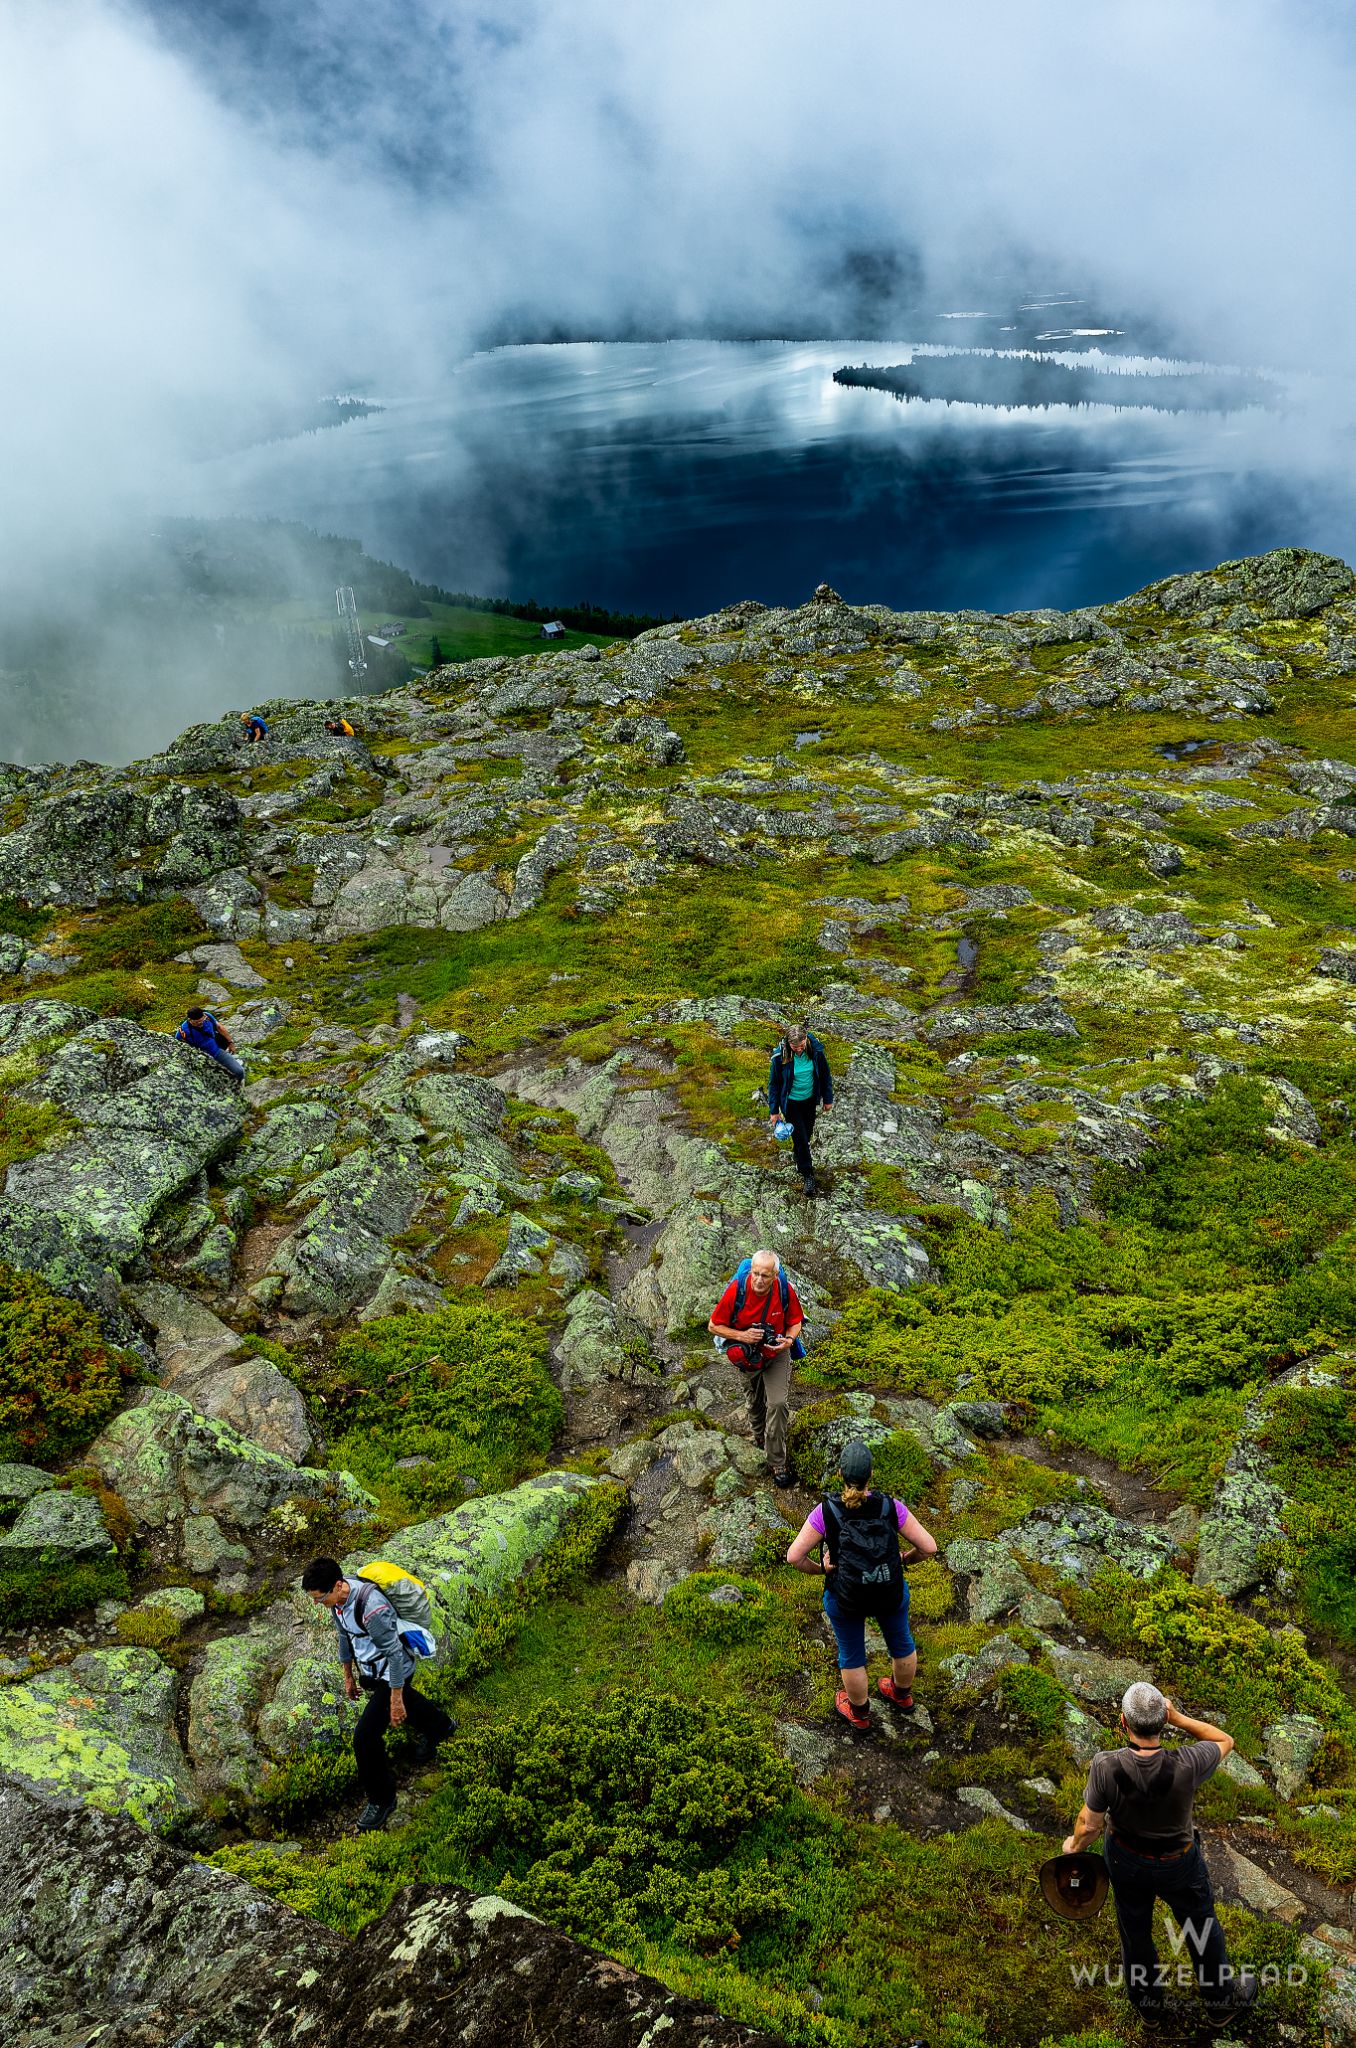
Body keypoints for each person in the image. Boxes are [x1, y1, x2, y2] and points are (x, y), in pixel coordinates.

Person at [1063, 1682, 1258, 2024]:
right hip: (1179, 1864)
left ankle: (1148, 2006)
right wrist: (1179, 1718)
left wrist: (1073, 1847)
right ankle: (1220, 2001)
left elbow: (1089, 1825)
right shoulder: (1188, 1762)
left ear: (1123, 1722)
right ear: (1162, 1722)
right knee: (1200, 1926)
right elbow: (1224, 1740)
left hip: (1126, 1860)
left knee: (1134, 1929)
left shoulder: (1105, 1766)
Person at [786, 1439, 937, 1732]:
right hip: (887, 1587)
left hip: (845, 1595)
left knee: (852, 1654)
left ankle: (859, 1713)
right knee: (902, 1642)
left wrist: (821, 1570)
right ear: (871, 1476)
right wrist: (904, 1559)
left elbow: (794, 1557)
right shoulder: (890, 1506)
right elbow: (929, 1547)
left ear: (840, 1474)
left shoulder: (825, 1511)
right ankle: (901, 1695)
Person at [301, 1555, 457, 1832]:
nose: (318, 1604)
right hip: (373, 1672)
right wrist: (348, 1675)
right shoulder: (337, 1603)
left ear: (338, 1586)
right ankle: (441, 1727)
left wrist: (395, 1698)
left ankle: (382, 1800)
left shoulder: (371, 1608)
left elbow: (396, 1655)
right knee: (407, 1701)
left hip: (393, 1671)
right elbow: (343, 1636)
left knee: (365, 1737)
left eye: (320, 1598)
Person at [708, 1249, 802, 1489]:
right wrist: (743, 1335)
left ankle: (776, 1460)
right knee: (754, 1402)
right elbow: (713, 1325)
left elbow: (795, 1322)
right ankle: (759, 1434)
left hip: (776, 1354)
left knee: (778, 1403)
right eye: (755, 1274)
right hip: (748, 1357)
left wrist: (789, 1341)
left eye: (765, 1275)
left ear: (775, 1275)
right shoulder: (737, 1291)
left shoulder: (784, 1289)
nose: (759, 1280)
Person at [767, 1021, 833, 1197]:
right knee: (802, 1139)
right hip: (791, 1103)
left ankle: (798, 1154)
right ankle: (807, 1173)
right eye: (794, 1046)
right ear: (789, 1044)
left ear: (806, 1041)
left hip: (809, 1100)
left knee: (807, 1134)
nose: (798, 1050)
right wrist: (774, 1111)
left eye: (801, 1046)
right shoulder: (780, 1057)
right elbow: (773, 1085)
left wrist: (828, 1099)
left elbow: (825, 1076)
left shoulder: (816, 1052)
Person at [175, 1006, 245, 1082]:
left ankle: (238, 1086)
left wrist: (231, 1043)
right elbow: (177, 1045)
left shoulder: (208, 1016)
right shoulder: (183, 1031)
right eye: (197, 1022)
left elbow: (219, 1027)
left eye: (202, 1021)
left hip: (216, 1052)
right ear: (190, 1020)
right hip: (202, 1060)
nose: (200, 1024)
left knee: (239, 1071)